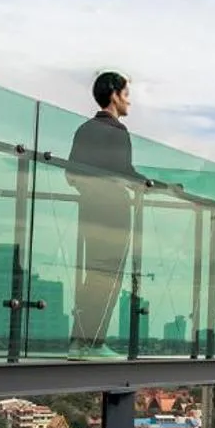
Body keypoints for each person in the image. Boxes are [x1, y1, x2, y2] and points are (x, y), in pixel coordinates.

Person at [69, 71, 140, 351]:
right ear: (114, 95)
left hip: (89, 210)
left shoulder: (84, 130)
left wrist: (95, 189)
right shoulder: (117, 132)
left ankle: (80, 340)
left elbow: (71, 174)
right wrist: (151, 185)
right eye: (126, 95)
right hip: (114, 212)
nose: (129, 103)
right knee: (109, 276)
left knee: (92, 275)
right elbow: (126, 173)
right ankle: (93, 342)